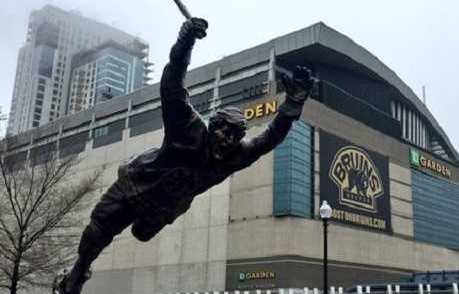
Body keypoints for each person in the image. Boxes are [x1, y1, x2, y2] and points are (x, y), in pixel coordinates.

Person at [55, 18, 314, 294]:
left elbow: (268, 139)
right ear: (213, 126)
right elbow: (172, 84)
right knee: (99, 229)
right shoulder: (187, 129)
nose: (227, 140)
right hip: (137, 183)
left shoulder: (234, 157)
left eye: (234, 136)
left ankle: (99, 256)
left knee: (141, 233)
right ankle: (77, 275)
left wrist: (292, 103)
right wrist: (185, 41)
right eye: (224, 131)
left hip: (164, 206)